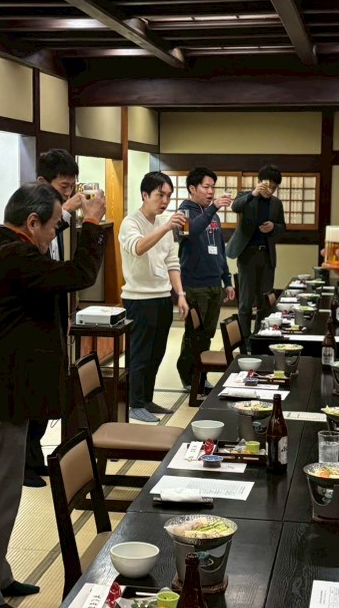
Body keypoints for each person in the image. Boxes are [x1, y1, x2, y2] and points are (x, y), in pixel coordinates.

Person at [0, 183, 108, 608]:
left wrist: (70, 215)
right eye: (53, 226)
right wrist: (92, 223)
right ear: (32, 222)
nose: (55, 235)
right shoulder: (14, 256)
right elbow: (78, 275)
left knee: (0, 494)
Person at [24, 148, 87, 487]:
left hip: (54, 310)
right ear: (42, 182)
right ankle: (24, 463)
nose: (69, 192)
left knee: (47, 389)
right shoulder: (30, 215)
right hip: (32, 320)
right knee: (32, 391)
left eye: (72, 186)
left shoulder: (54, 218)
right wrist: (67, 210)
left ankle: (35, 455)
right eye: (64, 187)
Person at [119, 172, 189, 422]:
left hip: (162, 297)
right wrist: (166, 227)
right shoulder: (131, 223)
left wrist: (180, 294)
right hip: (138, 299)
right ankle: (135, 403)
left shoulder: (163, 223)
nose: (165, 201)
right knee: (140, 353)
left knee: (157, 352)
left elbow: (172, 263)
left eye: (168, 196)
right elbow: (138, 247)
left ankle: (147, 399)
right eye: (160, 195)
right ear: (145, 195)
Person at [176, 166, 235, 397]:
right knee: (194, 333)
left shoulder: (213, 215)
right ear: (192, 188)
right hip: (194, 283)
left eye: (213, 187)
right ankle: (188, 375)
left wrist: (227, 280)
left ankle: (201, 375)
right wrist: (212, 208)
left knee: (208, 333)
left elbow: (220, 250)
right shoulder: (184, 212)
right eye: (206, 187)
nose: (211, 191)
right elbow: (190, 232)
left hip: (214, 283)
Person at [228, 164, 286, 347]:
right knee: (245, 303)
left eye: (274, 188)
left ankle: (259, 338)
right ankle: (246, 342)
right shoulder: (246, 196)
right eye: (269, 186)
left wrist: (273, 227)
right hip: (247, 254)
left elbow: (282, 227)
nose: (271, 191)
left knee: (265, 301)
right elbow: (235, 207)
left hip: (267, 255)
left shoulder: (276, 204)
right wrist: (253, 194)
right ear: (260, 182)